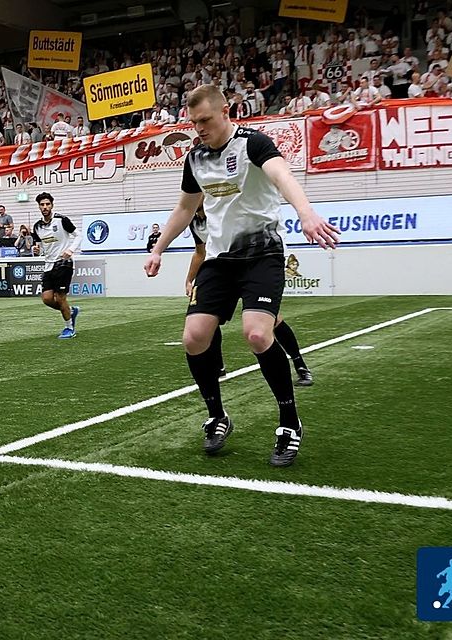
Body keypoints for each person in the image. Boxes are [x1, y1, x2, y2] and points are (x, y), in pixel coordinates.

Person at [144, 85, 339, 467]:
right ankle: (217, 416)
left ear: (226, 111)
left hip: (262, 254)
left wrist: (306, 212)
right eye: (193, 122)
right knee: (194, 337)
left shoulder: (252, 143)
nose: (198, 128)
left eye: (205, 120)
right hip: (218, 260)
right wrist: (158, 249)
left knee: (257, 333)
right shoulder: (195, 158)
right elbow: (185, 208)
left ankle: (289, 422)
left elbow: (282, 175)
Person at [185, 206, 314, 385]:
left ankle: (300, 365)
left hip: (250, 266)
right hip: (219, 270)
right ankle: (218, 366)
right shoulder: (195, 221)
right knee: (206, 318)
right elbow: (200, 252)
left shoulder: (223, 208)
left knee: (272, 320)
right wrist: (190, 279)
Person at [31, 192, 82, 339]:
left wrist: (70, 250)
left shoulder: (62, 220)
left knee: (60, 298)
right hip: (48, 265)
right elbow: (41, 246)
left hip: (63, 263)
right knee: (47, 299)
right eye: (42, 204)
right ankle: (71, 311)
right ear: (39, 207)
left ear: (52, 205)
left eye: (47, 204)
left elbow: (79, 235)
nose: (45, 207)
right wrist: (37, 249)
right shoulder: (37, 226)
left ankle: (69, 328)